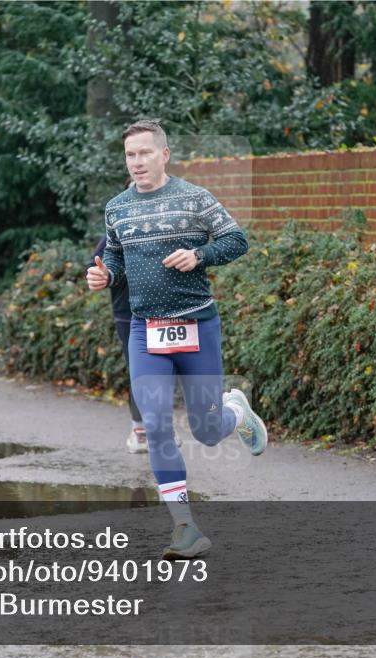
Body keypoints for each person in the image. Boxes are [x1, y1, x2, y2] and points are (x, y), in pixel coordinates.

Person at [86, 119, 267, 560]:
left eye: (145, 153)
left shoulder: (193, 198)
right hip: (146, 332)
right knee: (157, 425)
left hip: (197, 326)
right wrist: (105, 274)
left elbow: (236, 240)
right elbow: (114, 256)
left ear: (164, 154)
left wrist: (199, 254)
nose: (137, 162)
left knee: (206, 432)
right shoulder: (117, 208)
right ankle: (185, 526)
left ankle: (235, 412)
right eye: (131, 155)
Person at [89, 178, 182, 454]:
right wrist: (101, 275)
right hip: (128, 315)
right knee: (141, 374)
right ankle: (140, 430)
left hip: (165, 313)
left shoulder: (168, 234)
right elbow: (94, 271)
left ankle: (163, 428)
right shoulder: (112, 237)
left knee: (166, 371)